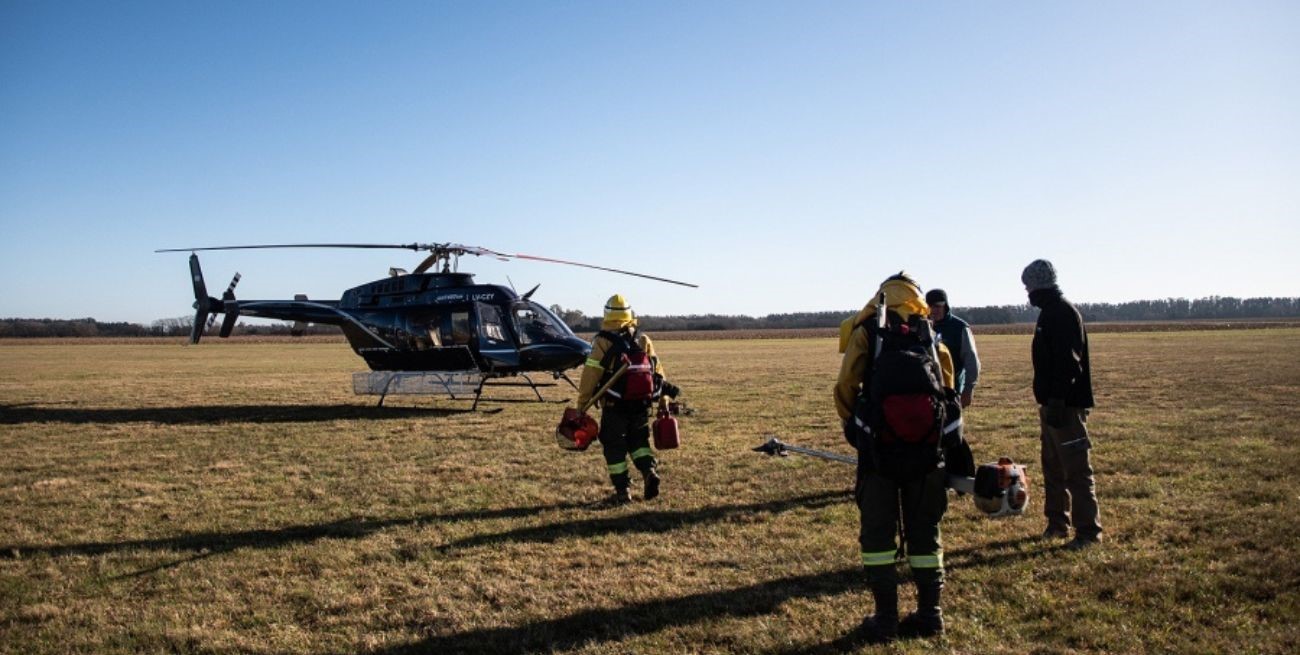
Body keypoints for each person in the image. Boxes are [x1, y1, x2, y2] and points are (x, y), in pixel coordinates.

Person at [835, 273, 959, 642]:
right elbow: (947, 387)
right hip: (926, 452)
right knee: (926, 531)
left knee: (877, 533)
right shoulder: (928, 333)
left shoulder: (868, 332)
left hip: (879, 452)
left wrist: (853, 424)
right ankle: (930, 613)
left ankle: (885, 617)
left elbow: (845, 386)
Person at [1022, 259, 1102, 549]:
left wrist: (1057, 400)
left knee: (1076, 471)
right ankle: (1057, 524)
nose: (1027, 292)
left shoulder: (1062, 313)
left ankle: (1088, 533)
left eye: (1029, 286)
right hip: (1052, 406)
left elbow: (1069, 364)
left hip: (1065, 407)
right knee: (1053, 469)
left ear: (1041, 284)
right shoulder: (1048, 312)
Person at [573, 294, 678, 504]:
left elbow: (591, 375)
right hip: (641, 403)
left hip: (614, 405)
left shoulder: (603, 340)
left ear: (607, 315)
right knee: (639, 442)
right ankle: (649, 471)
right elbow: (657, 371)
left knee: (614, 446)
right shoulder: (642, 339)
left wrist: (582, 404)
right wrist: (664, 396)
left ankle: (623, 491)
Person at [925, 289, 981, 408]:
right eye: (930, 306)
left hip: (953, 389)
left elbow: (971, 360)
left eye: (937, 306)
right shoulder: (922, 327)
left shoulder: (960, 328)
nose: (933, 310)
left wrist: (968, 389)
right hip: (928, 390)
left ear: (945, 306)